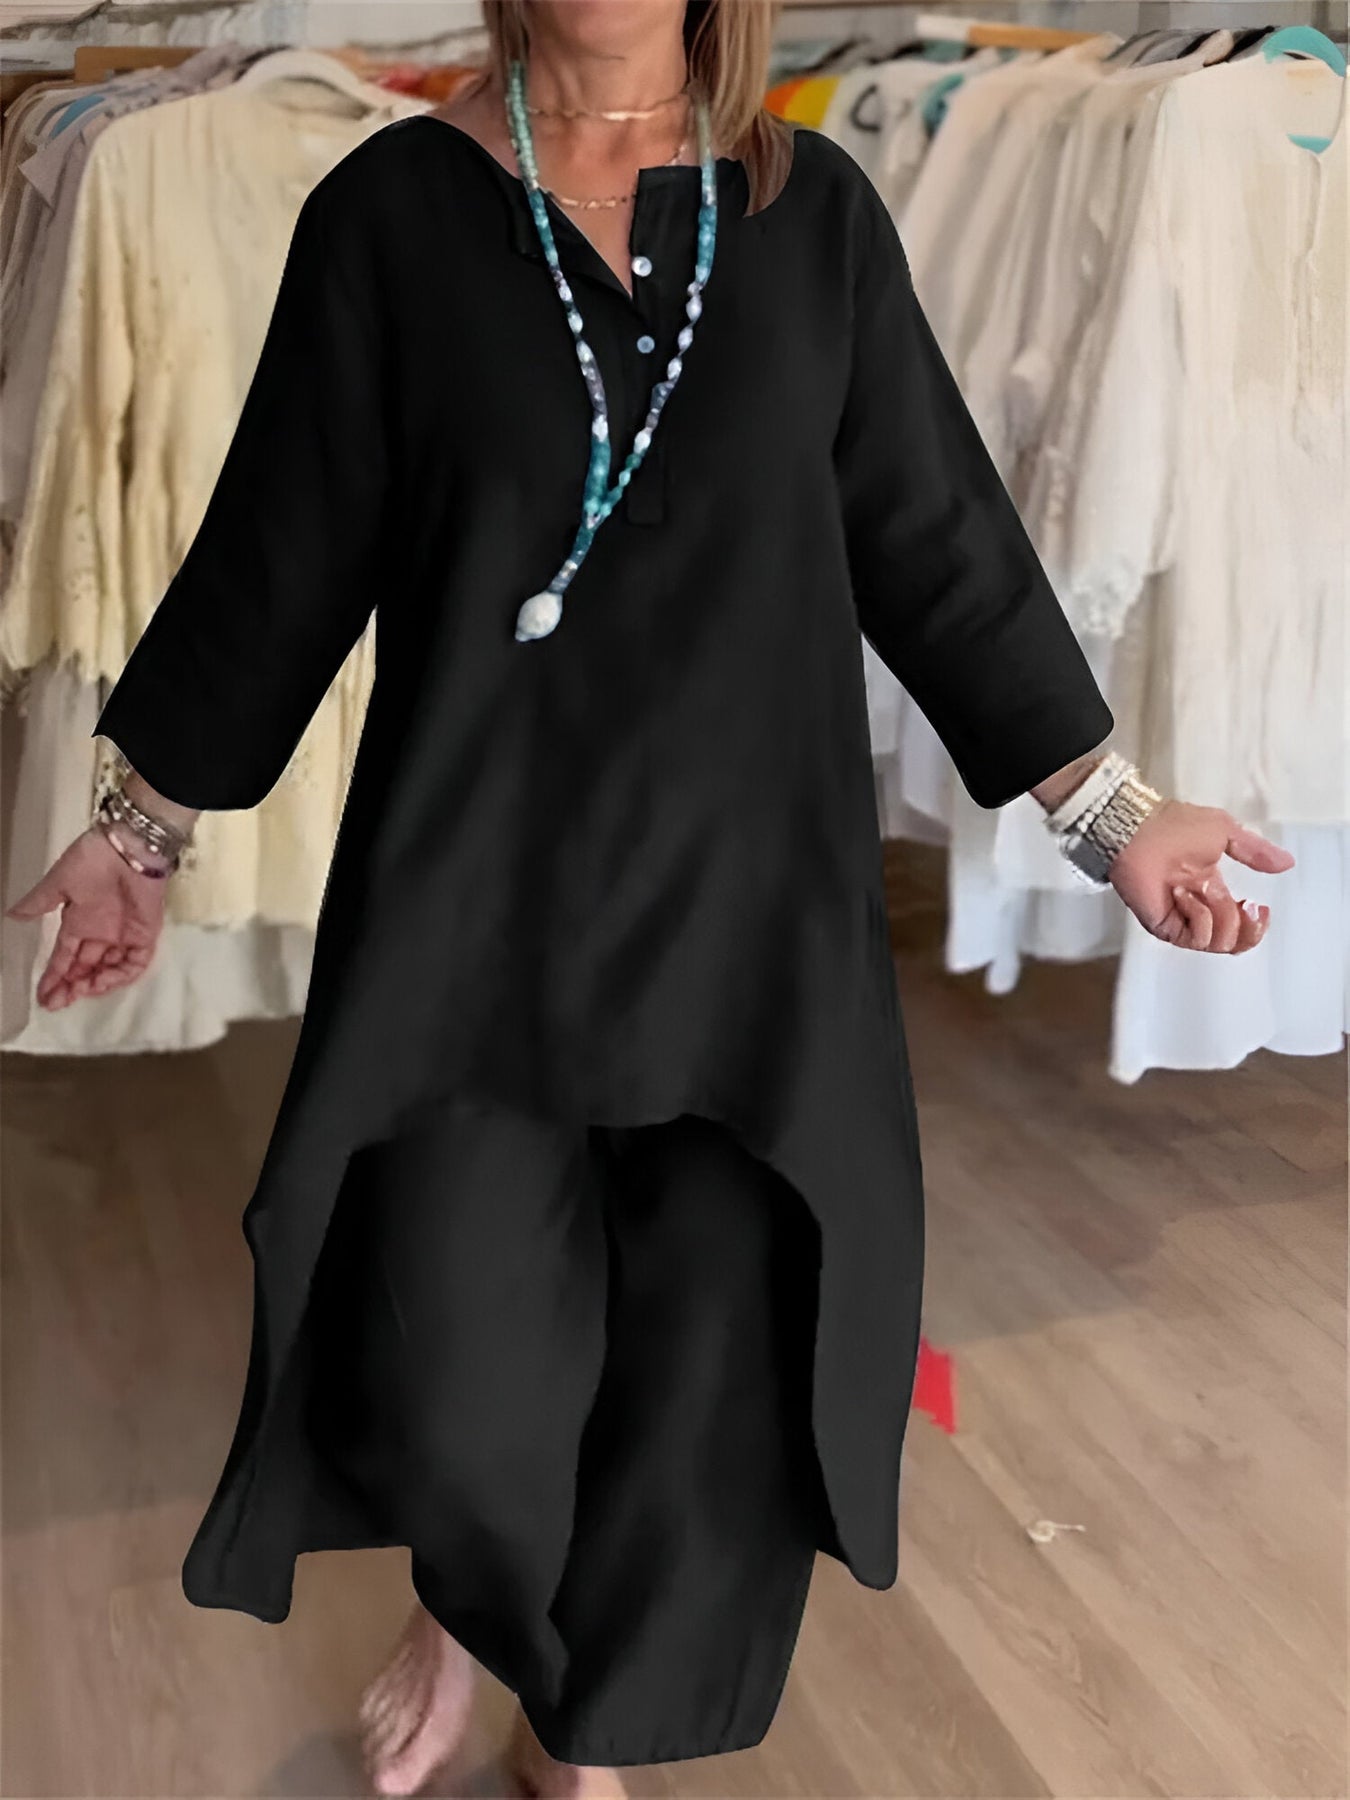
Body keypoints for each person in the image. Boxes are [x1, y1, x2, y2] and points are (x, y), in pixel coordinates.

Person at [8, 2, 1295, 1796]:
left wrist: (1111, 811)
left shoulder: (813, 216)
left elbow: (938, 545)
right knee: (458, 1370)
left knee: (707, 1370)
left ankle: (578, 1726)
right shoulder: (392, 214)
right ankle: (471, 1596)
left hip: (746, 925)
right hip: (470, 907)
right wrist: (139, 832)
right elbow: (278, 551)